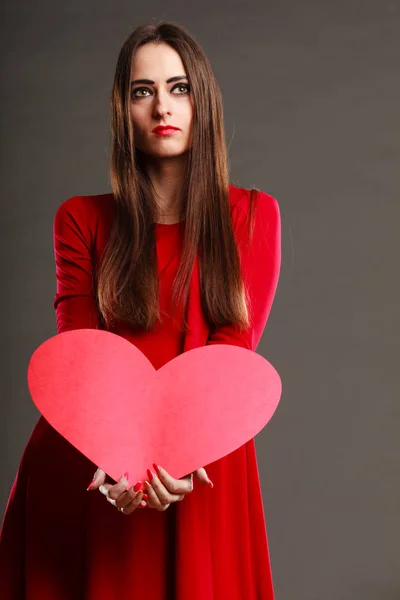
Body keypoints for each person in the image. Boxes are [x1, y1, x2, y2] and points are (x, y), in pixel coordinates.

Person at [0, 20, 281, 600]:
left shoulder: (253, 215)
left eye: (179, 88)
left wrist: (180, 450)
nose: (162, 107)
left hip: (201, 468)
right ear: (121, 109)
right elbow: (79, 359)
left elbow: (233, 348)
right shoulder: (79, 218)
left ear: (203, 102)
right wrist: (109, 461)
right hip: (90, 466)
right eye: (141, 91)